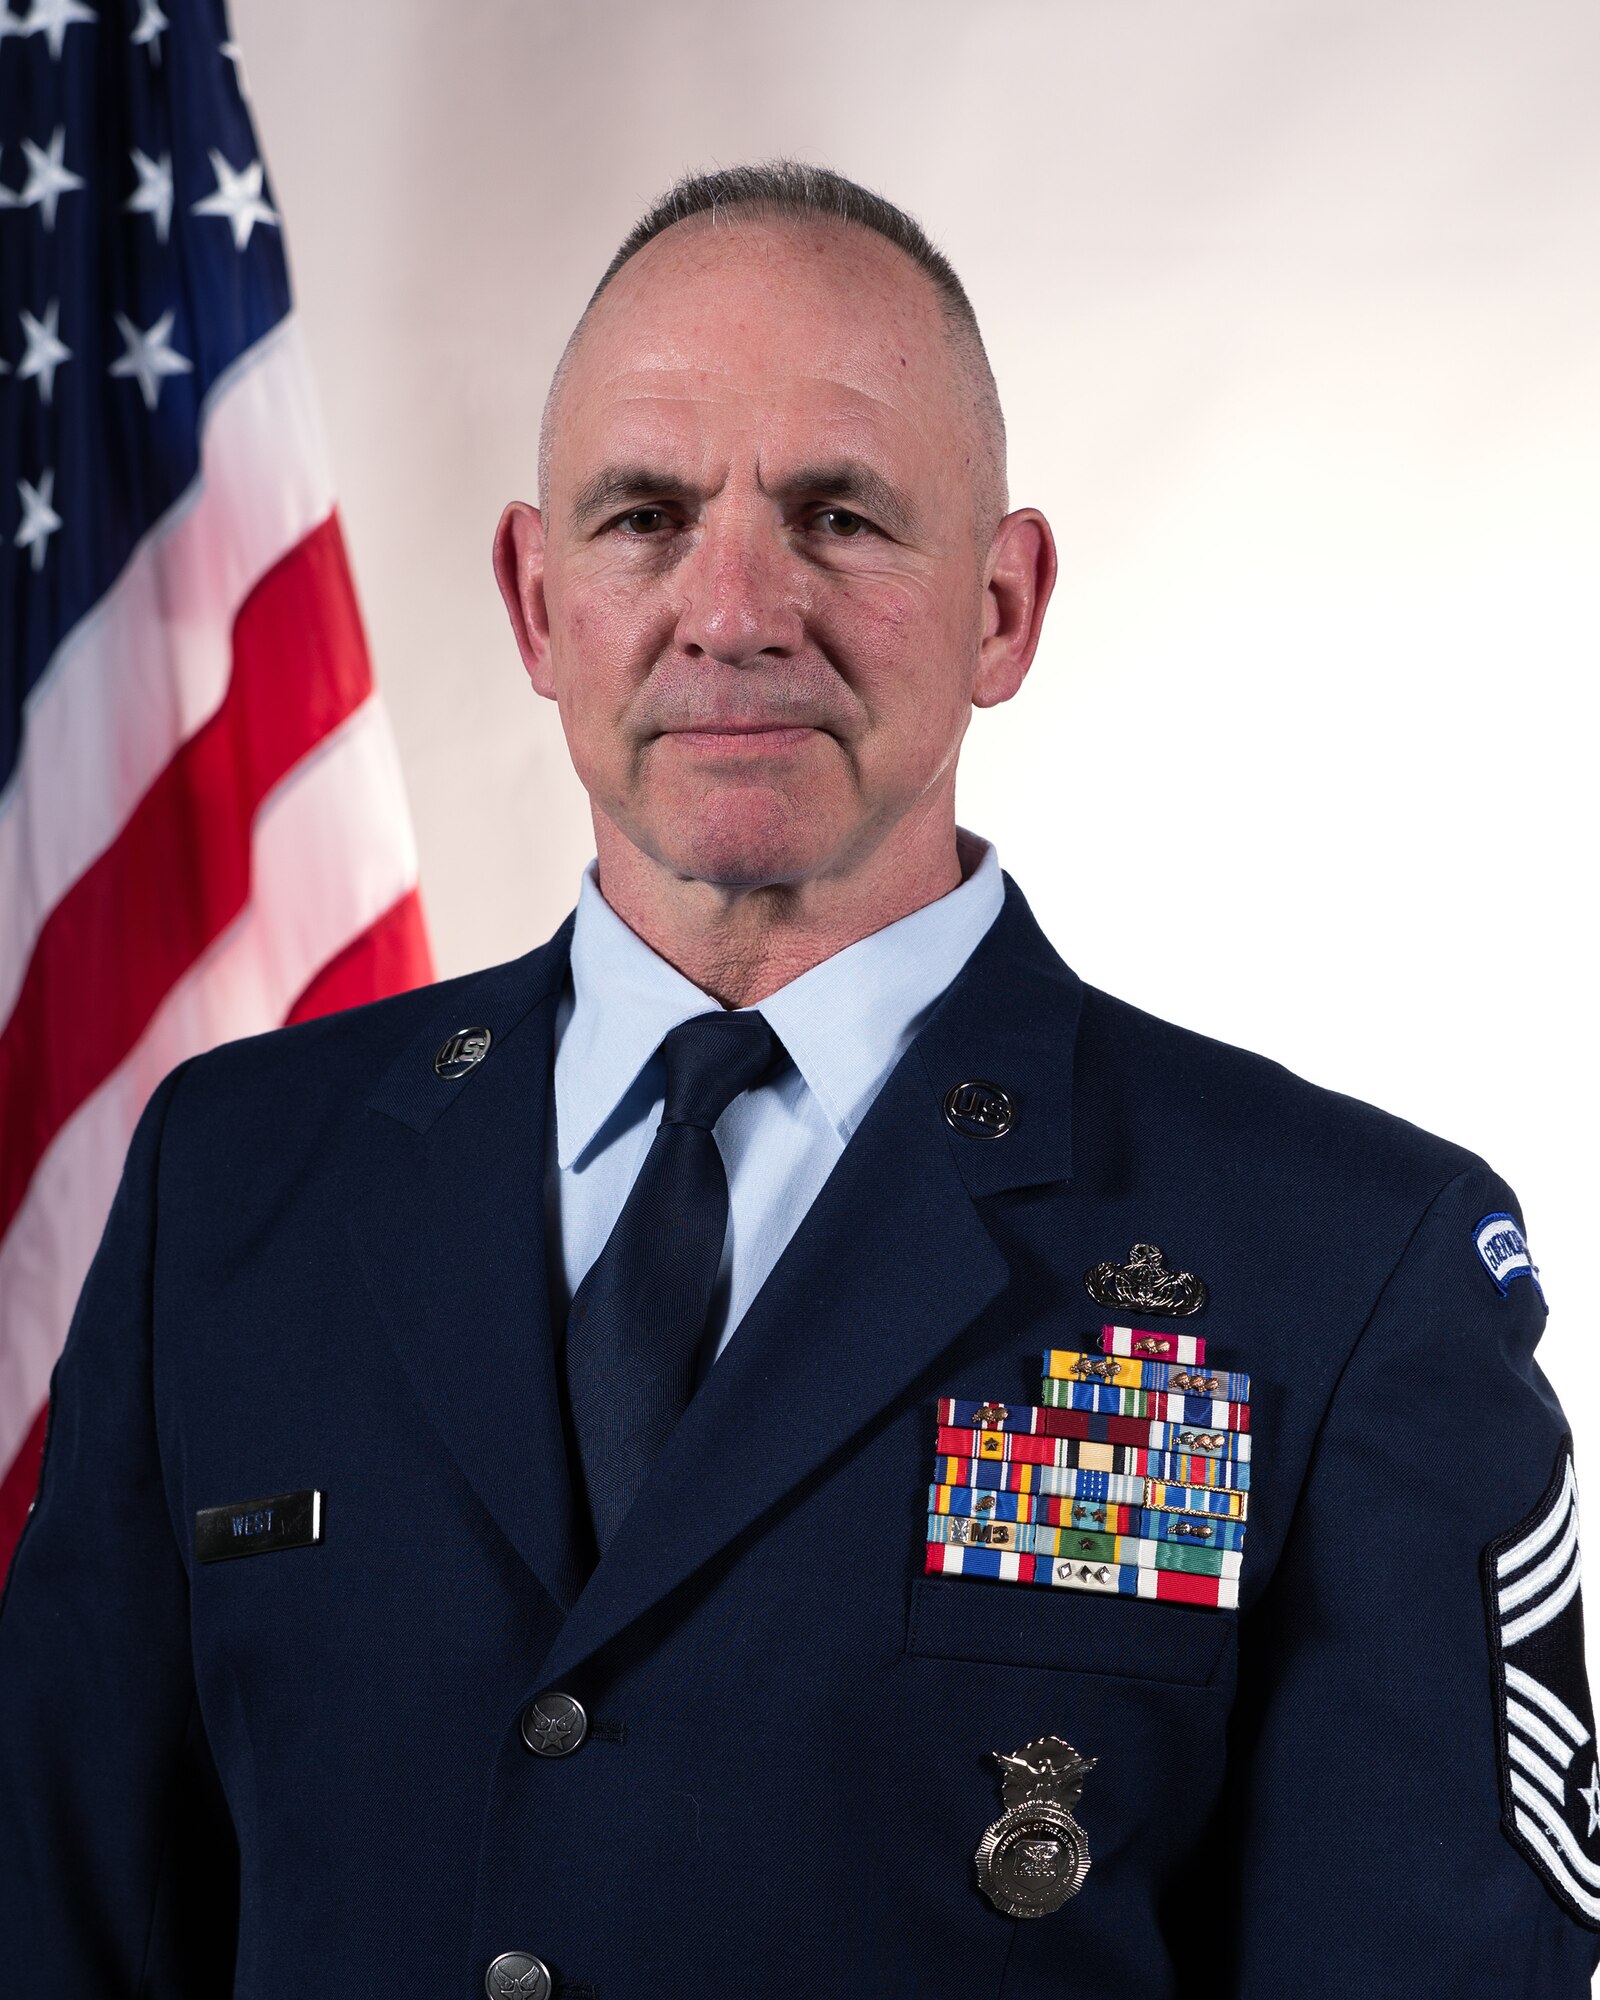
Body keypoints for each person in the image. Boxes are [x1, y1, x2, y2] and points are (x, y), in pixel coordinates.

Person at [1, 158, 1594, 2000]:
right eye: (645, 517)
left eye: (839, 517)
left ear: (1004, 606)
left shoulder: (1346, 1268)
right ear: (535, 602)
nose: (736, 608)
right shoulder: (232, 1184)